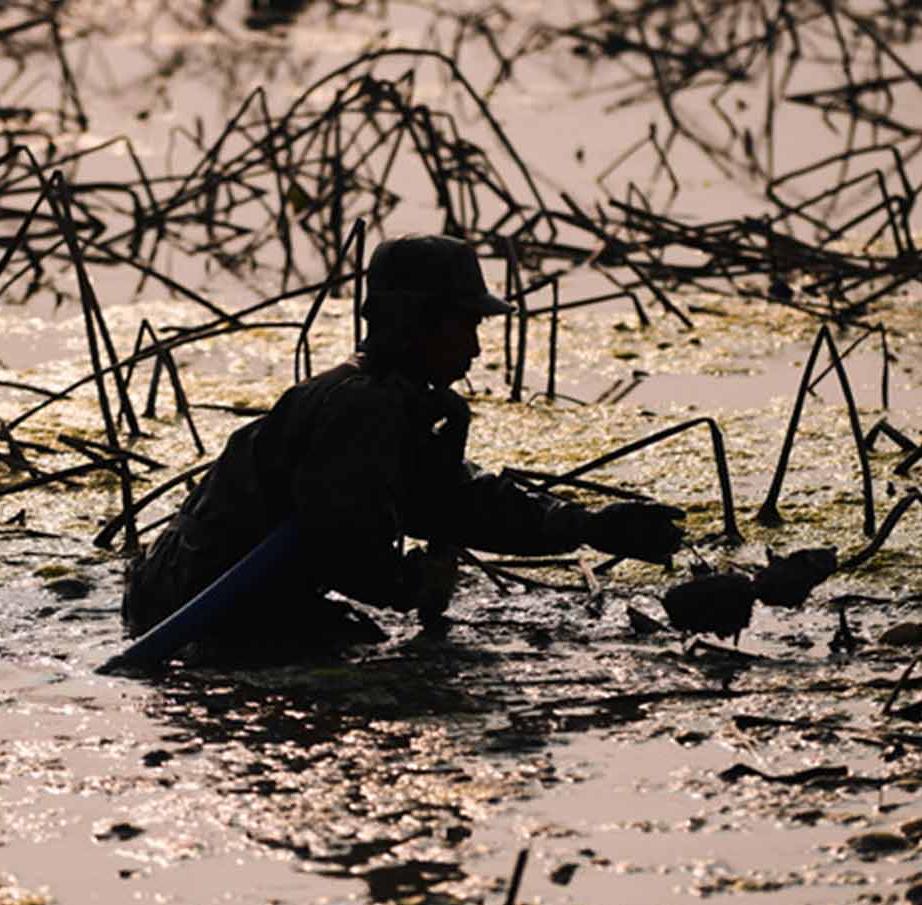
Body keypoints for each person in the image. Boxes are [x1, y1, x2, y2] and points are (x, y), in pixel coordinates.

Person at [119, 233, 685, 661]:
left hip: (193, 595)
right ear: (413, 322)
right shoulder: (361, 407)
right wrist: (408, 585)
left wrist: (588, 526)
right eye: (463, 326)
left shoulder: (400, 402)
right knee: (356, 649)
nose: (475, 348)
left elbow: (459, 503)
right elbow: (342, 543)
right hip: (198, 610)